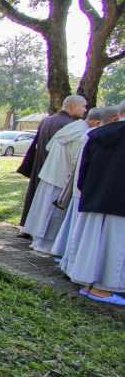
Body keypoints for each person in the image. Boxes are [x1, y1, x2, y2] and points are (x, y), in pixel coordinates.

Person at [57, 101, 125, 303]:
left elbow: (83, 169)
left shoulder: (94, 134)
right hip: (119, 201)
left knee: (92, 243)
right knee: (114, 247)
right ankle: (102, 289)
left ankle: (88, 283)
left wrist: (87, 191)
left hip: (94, 197)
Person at [21, 109, 91, 253]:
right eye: (82, 106)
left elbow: (49, 146)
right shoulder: (81, 133)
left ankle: (37, 240)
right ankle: (45, 245)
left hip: (50, 171)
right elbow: (76, 160)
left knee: (43, 209)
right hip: (62, 176)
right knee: (53, 214)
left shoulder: (69, 127)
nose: (83, 109)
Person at [53, 107, 118, 259]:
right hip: (91, 191)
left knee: (79, 231)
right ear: (114, 120)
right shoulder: (92, 135)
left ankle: (70, 261)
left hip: (85, 189)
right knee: (85, 234)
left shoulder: (89, 134)